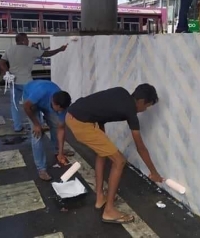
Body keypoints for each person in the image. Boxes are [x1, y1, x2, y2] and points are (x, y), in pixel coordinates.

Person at [65, 84, 163, 224]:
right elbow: (140, 147)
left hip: (74, 115)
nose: (144, 110)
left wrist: (101, 134)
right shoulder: (131, 111)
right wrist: (154, 172)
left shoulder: (120, 92)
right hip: (81, 122)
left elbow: (100, 106)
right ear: (141, 101)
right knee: (119, 161)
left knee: (103, 153)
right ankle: (109, 211)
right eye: (146, 106)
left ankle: (100, 198)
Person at [0, 33, 68, 132]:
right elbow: (47, 54)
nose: (28, 41)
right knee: (33, 105)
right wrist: (60, 49)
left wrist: (7, 72)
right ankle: (38, 125)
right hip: (27, 83)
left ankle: (17, 126)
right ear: (23, 40)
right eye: (27, 39)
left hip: (13, 81)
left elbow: (0, 62)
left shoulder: (10, 49)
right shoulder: (30, 50)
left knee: (14, 104)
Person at [23, 80, 72, 181]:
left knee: (55, 125)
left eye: (61, 111)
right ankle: (41, 169)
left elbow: (61, 128)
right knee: (37, 134)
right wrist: (36, 124)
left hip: (46, 101)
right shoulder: (39, 93)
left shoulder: (63, 105)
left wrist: (61, 153)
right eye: (58, 110)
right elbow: (26, 106)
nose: (60, 112)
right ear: (54, 103)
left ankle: (56, 150)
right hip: (30, 99)